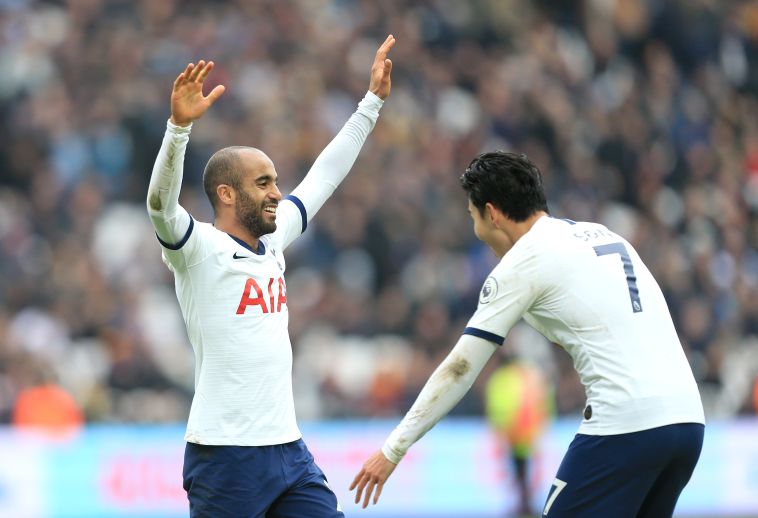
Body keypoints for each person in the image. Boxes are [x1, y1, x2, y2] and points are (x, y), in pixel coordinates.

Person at [350, 151, 705, 517]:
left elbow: (459, 368)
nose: (476, 231)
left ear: (492, 213)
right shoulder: (600, 234)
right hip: (688, 423)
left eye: (473, 217)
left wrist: (393, 449)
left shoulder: (524, 261)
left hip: (626, 425)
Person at [146, 35, 395, 517]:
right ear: (226, 194)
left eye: (276, 181)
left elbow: (324, 176)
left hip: (288, 448)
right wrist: (178, 129)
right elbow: (160, 205)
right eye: (263, 183)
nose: (278, 193)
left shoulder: (274, 240)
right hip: (225, 455)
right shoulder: (197, 248)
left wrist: (371, 104)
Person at [484, 358, 552, 516]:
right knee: (523, 470)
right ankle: (525, 503)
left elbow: (496, 406)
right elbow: (543, 402)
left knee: (521, 470)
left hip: (517, 435)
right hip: (524, 435)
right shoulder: (531, 375)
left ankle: (525, 503)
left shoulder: (502, 378)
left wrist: (499, 428)